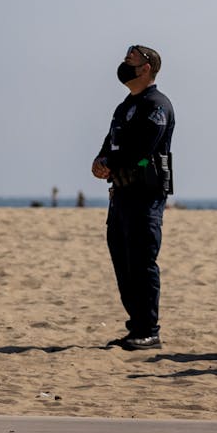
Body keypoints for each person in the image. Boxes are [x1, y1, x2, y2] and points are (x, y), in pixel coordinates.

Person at [91, 44, 175, 351]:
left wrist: (113, 164)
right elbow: (111, 141)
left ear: (147, 68)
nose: (125, 64)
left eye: (131, 60)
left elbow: (143, 150)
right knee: (123, 262)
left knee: (141, 262)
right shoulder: (125, 105)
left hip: (145, 195)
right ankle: (135, 327)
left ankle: (148, 330)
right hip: (121, 194)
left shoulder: (156, 105)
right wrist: (101, 161)